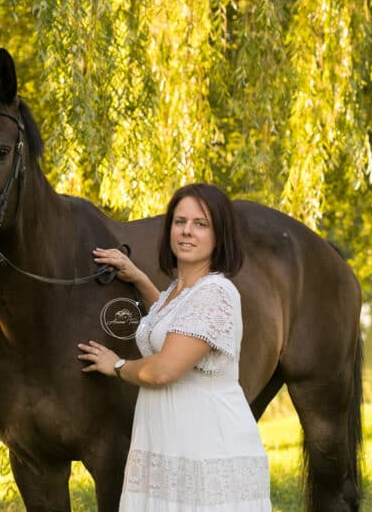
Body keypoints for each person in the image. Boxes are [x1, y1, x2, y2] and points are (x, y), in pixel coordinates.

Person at [78, 183, 272, 511]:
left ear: (220, 235)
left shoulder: (216, 294)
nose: (187, 231)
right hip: (171, 444)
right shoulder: (176, 293)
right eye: (180, 222)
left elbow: (163, 369)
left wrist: (118, 366)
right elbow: (172, 323)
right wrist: (138, 278)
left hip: (206, 447)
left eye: (201, 224)